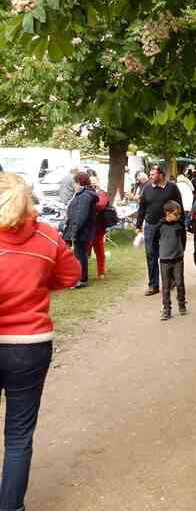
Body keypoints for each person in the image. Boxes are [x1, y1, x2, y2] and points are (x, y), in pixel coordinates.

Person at [0, 173, 81, 511]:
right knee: (19, 434)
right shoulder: (47, 237)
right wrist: (36, 284)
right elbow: (70, 274)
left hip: (23, 342)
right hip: (29, 345)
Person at [136, 165, 183, 296]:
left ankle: (171, 280)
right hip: (150, 226)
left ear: (161, 175)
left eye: (153, 174)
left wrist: (180, 224)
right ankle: (153, 285)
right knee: (151, 255)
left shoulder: (172, 188)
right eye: (150, 174)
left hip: (167, 227)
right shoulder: (146, 188)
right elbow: (142, 207)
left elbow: (179, 206)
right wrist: (138, 224)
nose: (150, 177)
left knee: (169, 254)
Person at [153, 201, 187, 320]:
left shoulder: (180, 225)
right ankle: (167, 309)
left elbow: (183, 238)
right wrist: (159, 253)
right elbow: (155, 240)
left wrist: (182, 250)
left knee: (179, 283)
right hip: (164, 260)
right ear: (167, 213)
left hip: (178, 258)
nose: (178, 216)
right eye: (176, 214)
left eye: (179, 214)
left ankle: (182, 304)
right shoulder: (160, 226)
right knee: (166, 286)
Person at [64, 172, 98, 288]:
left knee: (80, 255)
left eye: (75, 183)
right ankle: (81, 278)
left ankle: (82, 279)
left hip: (82, 230)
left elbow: (81, 216)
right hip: (81, 229)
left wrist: (74, 231)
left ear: (79, 183)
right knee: (80, 254)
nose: (74, 185)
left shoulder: (85, 196)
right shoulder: (81, 194)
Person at [88, 175, 109, 280]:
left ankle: (101, 271)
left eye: (94, 181)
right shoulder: (85, 193)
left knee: (99, 249)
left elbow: (101, 206)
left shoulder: (102, 193)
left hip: (98, 227)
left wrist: (88, 203)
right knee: (85, 249)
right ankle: (83, 272)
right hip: (87, 226)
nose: (92, 183)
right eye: (90, 181)